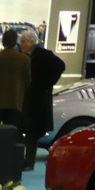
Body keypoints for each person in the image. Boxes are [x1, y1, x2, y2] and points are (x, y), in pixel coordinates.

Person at [19, 29, 65, 169]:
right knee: (26, 128)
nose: (21, 44)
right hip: (27, 96)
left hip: (38, 98)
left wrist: (47, 83)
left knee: (32, 131)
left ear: (32, 42)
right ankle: (24, 160)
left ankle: (29, 161)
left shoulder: (44, 54)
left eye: (23, 41)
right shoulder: (24, 55)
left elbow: (61, 65)